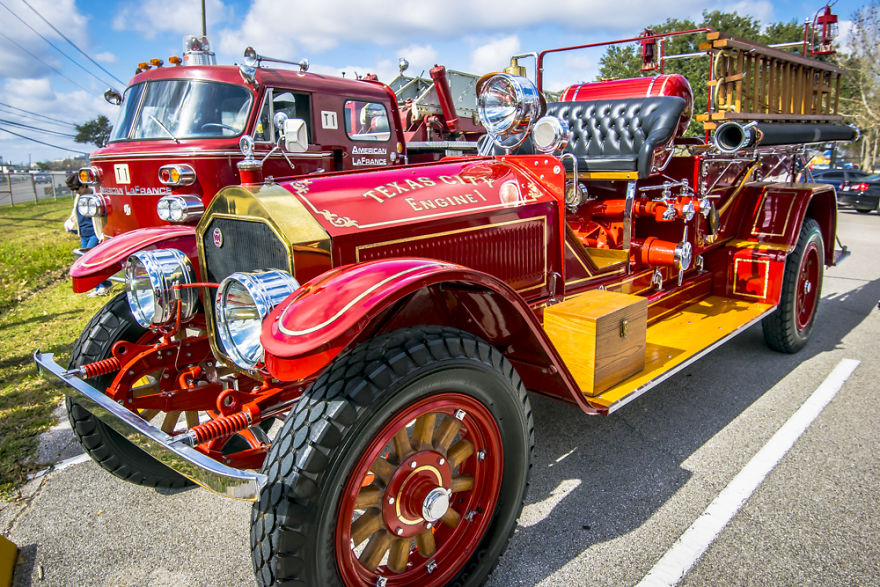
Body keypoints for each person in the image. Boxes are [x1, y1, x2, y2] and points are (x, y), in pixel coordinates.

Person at [65, 172, 112, 296]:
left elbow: (103, 218)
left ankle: (103, 286)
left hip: (94, 233)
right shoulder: (78, 198)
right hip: (83, 233)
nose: (75, 191)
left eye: (76, 188)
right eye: (72, 189)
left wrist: (103, 234)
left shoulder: (96, 196)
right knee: (84, 259)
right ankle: (100, 286)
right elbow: (75, 214)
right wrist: (70, 223)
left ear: (84, 185)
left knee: (92, 260)